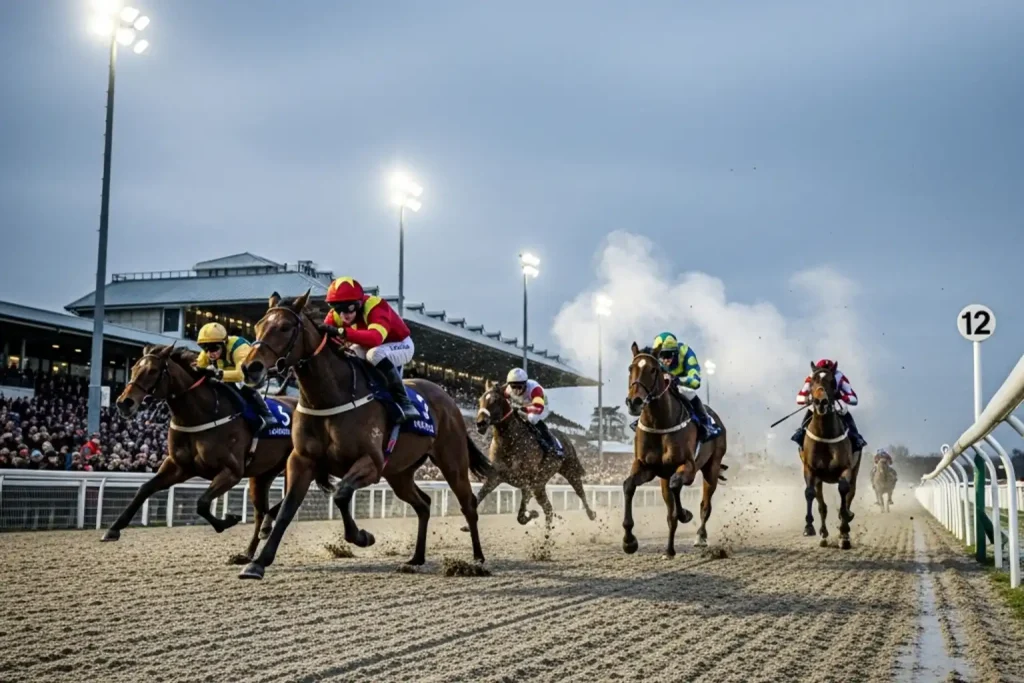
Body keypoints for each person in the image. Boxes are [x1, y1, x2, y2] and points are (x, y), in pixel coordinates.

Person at [322, 277, 419, 422]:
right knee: (349, 353)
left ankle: (404, 402)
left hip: (400, 344)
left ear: (359, 303)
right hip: (370, 347)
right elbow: (325, 341)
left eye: (349, 308)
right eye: (338, 309)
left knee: (374, 354)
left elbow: (375, 339)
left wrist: (342, 332)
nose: (344, 315)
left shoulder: (375, 306)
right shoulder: (335, 315)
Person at [195, 322, 278, 432]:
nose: (210, 353)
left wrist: (218, 374)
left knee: (241, 385)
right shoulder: (208, 352)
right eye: (206, 348)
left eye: (214, 348)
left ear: (224, 343)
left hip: (251, 373)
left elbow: (240, 375)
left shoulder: (239, 347)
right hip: (228, 373)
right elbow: (198, 367)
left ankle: (266, 414)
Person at [650, 332, 721, 439]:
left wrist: (678, 379)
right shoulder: (653, 358)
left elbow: (696, 381)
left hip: (681, 384)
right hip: (663, 387)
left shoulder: (686, 352)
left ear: (675, 352)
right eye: (662, 355)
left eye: (668, 355)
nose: (665, 360)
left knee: (687, 393)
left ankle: (706, 423)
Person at [791, 359, 866, 451]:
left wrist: (844, 397)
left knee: (845, 414)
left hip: (836, 403)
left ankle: (856, 437)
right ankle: (801, 434)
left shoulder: (839, 376)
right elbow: (800, 397)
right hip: (817, 403)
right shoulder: (812, 377)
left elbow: (854, 398)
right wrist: (809, 399)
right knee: (808, 416)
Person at [504, 367, 561, 456]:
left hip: (541, 406)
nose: (516, 390)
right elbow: (504, 399)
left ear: (525, 384)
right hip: (524, 404)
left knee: (532, 418)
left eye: (519, 386)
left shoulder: (535, 389)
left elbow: (538, 409)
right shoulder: (508, 389)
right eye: (513, 386)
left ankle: (553, 445)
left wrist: (523, 409)